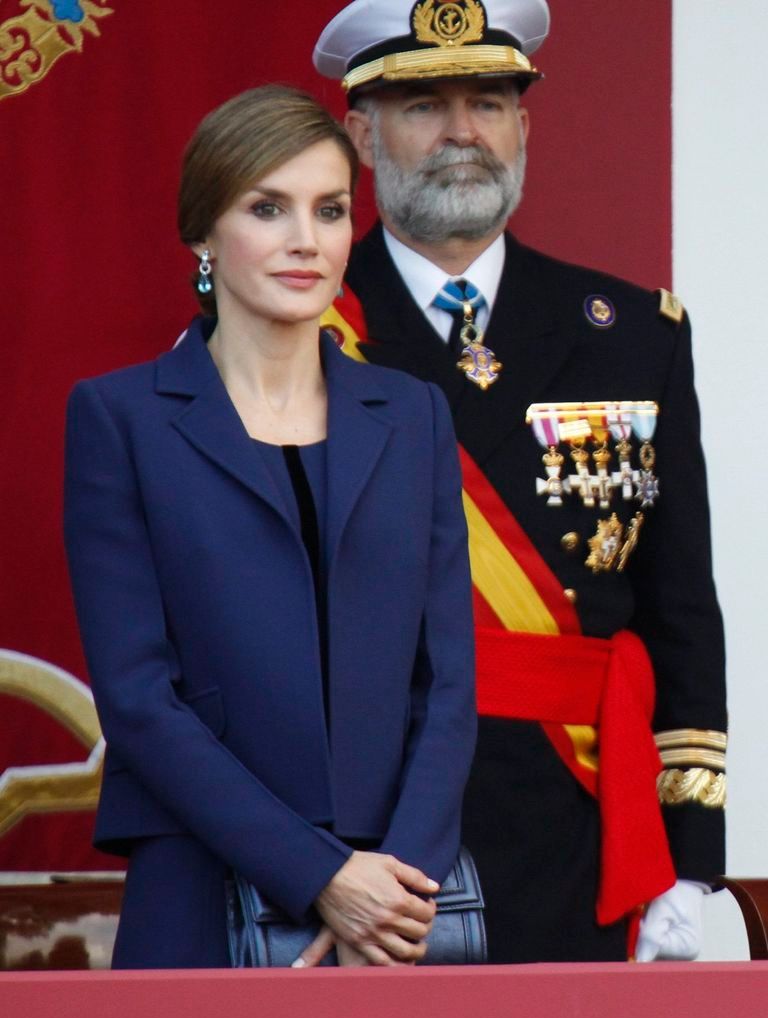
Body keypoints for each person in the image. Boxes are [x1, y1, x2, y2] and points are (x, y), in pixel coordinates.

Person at [312, 0, 726, 962]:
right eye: (423, 105)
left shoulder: (633, 333)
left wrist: (689, 858)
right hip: (368, 828)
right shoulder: (299, 328)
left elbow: (680, 611)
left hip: (578, 821)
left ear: (525, 126)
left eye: (489, 102)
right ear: (361, 136)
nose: (463, 132)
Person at [63, 85, 476, 969]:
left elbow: (445, 686)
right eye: (267, 208)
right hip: (199, 885)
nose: (306, 240)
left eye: (329, 211)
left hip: (401, 904)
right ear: (204, 235)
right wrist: (321, 875)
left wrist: (390, 881)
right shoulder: (120, 418)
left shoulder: (413, 416)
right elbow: (138, 699)